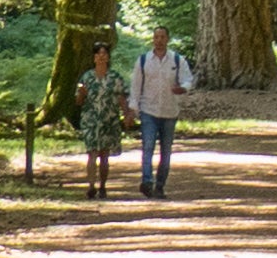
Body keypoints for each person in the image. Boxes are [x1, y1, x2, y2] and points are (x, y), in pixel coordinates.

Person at [130, 29, 198, 196]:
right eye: (156, 37)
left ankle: (160, 185)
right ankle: (147, 181)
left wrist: (183, 88)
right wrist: (133, 109)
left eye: (162, 37)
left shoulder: (177, 60)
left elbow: (188, 79)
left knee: (166, 151)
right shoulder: (144, 60)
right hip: (148, 110)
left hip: (169, 111)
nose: (159, 40)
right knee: (148, 147)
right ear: (152, 39)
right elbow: (135, 86)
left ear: (167, 39)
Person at [71, 41, 134, 198]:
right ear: (94, 58)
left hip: (109, 119)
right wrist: (81, 93)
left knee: (104, 155)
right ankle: (91, 186)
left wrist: (127, 114)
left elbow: (121, 97)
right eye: (98, 54)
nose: (101, 57)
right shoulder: (87, 77)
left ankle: (103, 186)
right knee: (92, 153)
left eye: (104, 54)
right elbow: (78, 102)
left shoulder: (115, 77)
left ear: (108, 57)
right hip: (91, 120)